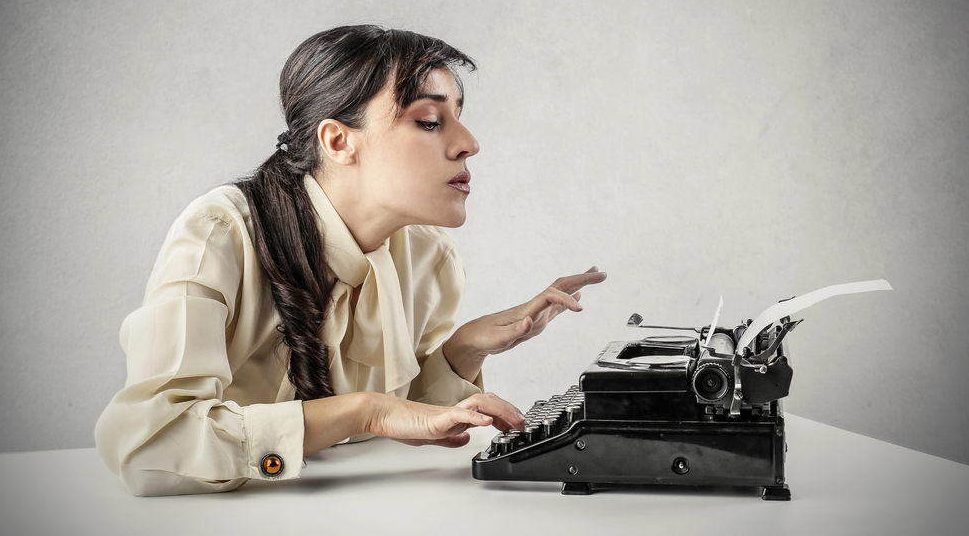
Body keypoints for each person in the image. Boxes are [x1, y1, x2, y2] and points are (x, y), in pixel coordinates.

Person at [95, 25, 606, 496]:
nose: (469, 144)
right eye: (429, 121)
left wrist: (465, 350)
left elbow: (408, 417)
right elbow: (148, 448)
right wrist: (367, 412)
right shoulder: (220, 235)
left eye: (459, 117)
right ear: (338, 140)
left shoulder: (429, 257)